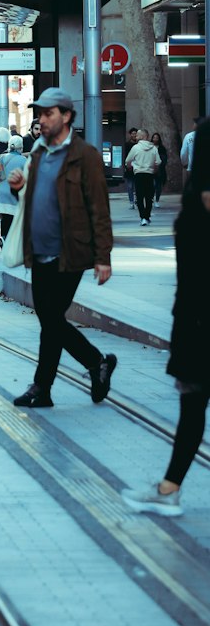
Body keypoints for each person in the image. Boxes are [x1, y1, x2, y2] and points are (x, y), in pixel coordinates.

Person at [8, 87, 116, 409]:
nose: (41, 119)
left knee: (51, 319)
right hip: (38, 252)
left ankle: (43, 387)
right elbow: (32, 200)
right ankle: (97, 363)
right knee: (50, 320)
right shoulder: (39, 153)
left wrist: (103, 257)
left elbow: (99, 209)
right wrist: (18, 189)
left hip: (69, 253)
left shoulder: (86, 156)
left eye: (48, 113)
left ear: (66, 116)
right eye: (39, 113)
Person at [124, 118, 210, 516]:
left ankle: (168, 489)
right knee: (191, 405)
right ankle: (168, 488)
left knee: (192, 404)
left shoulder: (199, 206)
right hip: (194, 314)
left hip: (199, 318)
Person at [0, 134, 26, 243]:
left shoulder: (0, 158)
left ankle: (3, 236)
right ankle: (10, 240)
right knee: (14, 217)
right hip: (14, 192)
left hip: (1, 191)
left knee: (5, 216)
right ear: (20, 147)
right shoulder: (23, 160)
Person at [126, 130, 159, 226]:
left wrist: (129, 167)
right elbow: (158, 162)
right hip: (149, 174)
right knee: (149, 197)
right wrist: (154, 169)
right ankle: (147, 216)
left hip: (139, 174)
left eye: (137, 135)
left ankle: (142, 218)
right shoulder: (153, 148)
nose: (136, 137)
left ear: (141, 136)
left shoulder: (135, 148)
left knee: (139, 197)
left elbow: (128, 160)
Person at [150, 132, 168, 207]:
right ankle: (151, 199)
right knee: (152, 185)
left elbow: (164, 159)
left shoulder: (162, 148)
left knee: (158, 186)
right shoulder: (149, 147)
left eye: (156, 138)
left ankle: (157, 200)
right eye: (154, 137)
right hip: (150, 169)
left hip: (160, 170)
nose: (155, 139)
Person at [124, 128, 138, 210]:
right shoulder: (127, 144)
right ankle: (131, 202)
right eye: (132, 133)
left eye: (135, 133)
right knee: (130, 186)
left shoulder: (139, 145)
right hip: (129, 168)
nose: (134, 135)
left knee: (137, 186)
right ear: (130, 135)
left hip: (138, 167)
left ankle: (137, 200)